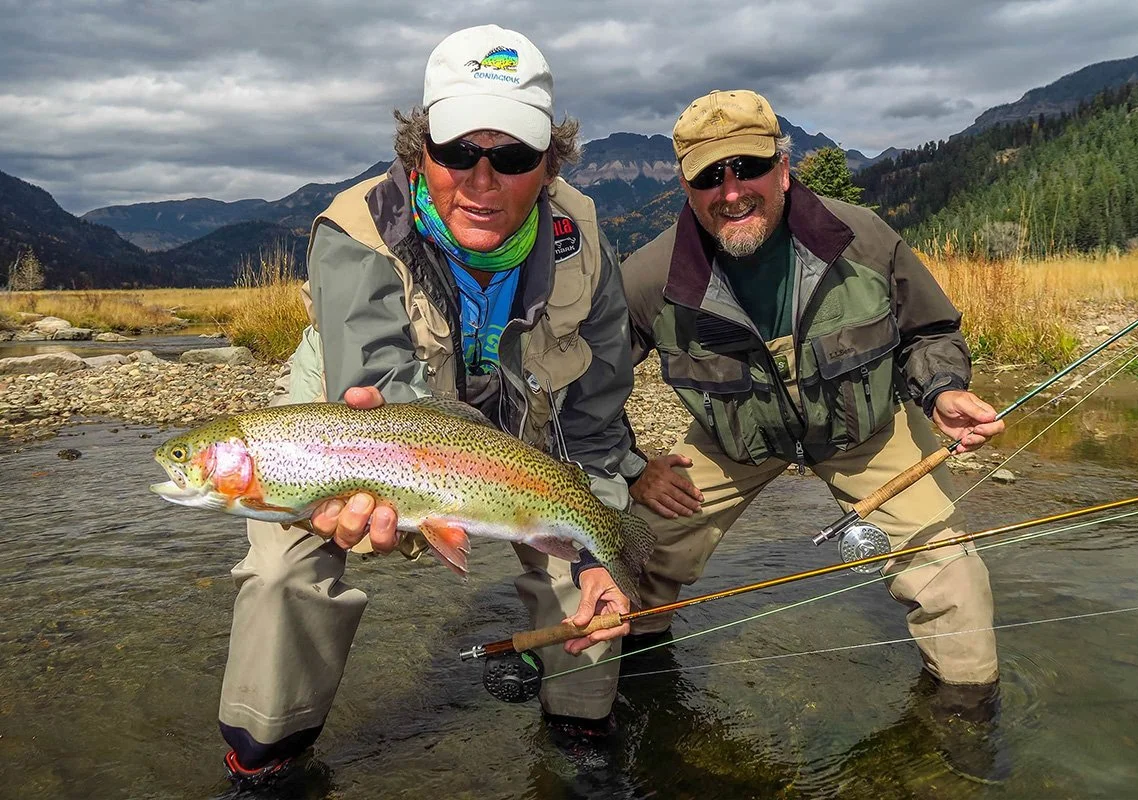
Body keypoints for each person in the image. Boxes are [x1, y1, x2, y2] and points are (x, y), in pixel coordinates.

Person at [216, 25, 639, 789]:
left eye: (510, 156)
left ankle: (580, 737)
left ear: (548, 165)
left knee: (590, 583)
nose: (482, 179)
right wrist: (409, 502)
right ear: (420, 153)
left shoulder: (588, 242)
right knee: (284, 570)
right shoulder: (354, 229)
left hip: (520, 420)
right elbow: (378, 386)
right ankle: (264, 757)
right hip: (356, 424)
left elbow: (596, 422)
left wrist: (601, 548)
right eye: (456, 154)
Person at [618, 89, 1007, 776]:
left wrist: (942, 390)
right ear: (685, 186)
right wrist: (629, 465)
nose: (731, 192)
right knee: (636, 553)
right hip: (732, 440)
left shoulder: (864, 238)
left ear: (783, 167)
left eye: (748, 168)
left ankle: (962, 729)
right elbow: (588, 385)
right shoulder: (650, 277)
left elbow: (930, 331)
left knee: (954, 578)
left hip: (866, 427)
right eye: (710, 176)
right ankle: (646, 691)